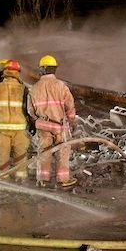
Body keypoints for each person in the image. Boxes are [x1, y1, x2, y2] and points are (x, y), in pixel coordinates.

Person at [27, 54, 77, 188]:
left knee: (44, 153)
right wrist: (72, 120)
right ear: (54, 69)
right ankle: (63, 180)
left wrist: (37, 120)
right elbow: (70, 106)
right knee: (62, 153)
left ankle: (43, 180)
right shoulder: (61, 86)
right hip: (60, 126)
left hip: (43, 125)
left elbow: (30, 111)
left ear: (41, 70)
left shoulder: (34, 88)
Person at [0, 60, 30, 181]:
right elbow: (29, 109)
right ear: (17, 72)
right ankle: (21, 180)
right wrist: (32, 122)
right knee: (20, 157)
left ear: (4, 72)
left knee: (2, 156)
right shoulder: (23, 89)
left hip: (1, 130)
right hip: (19, 129)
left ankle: (3, 180)